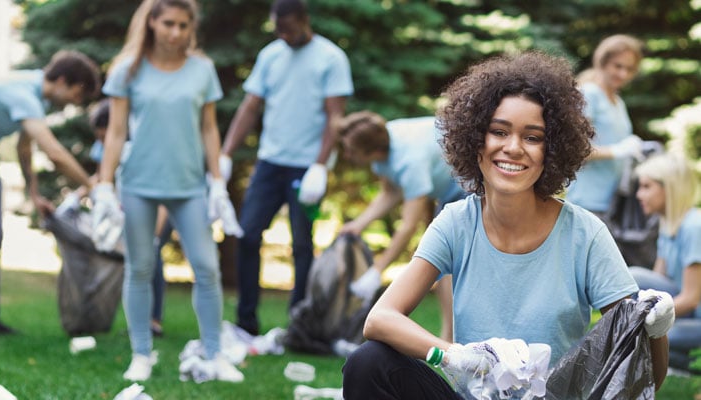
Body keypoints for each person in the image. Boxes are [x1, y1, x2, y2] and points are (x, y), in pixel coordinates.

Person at [341, 51, 673, 399]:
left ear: (554, 149)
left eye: (533, 137)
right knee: (369, 362)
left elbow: (640, 375)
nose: (513, 148)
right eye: (498, 131)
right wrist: (454, 355)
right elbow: (379, 320)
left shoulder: (584, 233)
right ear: (475, 141)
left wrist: (655, 334)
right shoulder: (456, 222)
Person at [95, 0, 243, 382]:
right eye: (168, 24)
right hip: (139, 184)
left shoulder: (202, 70)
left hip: (189, 186)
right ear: (151, 24)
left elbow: (209, 128)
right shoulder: (127, 70)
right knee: (140, 268)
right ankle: (141, 354)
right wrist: (105, 184)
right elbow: (115, 131)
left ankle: (214, 354)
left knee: (207, 269)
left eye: (183, 25)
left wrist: (216, 182)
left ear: (191, 27)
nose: (175, 32)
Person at [220, 0, 354, 336]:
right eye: (278, 29)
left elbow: (335, 118)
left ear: (304, 21)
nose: (284, 35)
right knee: (247, 235)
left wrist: (320, 166)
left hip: (306, 168)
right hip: (270, 163)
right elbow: (250, 107)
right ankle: (246, 322)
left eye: (289, 28)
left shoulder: (331, 58)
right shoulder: (270, 55)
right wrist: (225, 153)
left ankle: (299, 323)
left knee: (302, 245)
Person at [0, 50, 100, 345]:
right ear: (62, 80)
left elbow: (25, 148)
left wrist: (33, 193)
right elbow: (54, 153)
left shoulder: (34, 98)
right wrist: (94, 186)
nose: (76, 102)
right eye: (77, 93)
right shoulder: (23, 94)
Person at [337, 111, 466, 341]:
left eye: (351, 151)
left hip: (466, 184)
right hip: (448, 188)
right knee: (446, 266)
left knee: (447, 262)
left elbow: (408, 226)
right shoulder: (383, 148)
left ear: (372, 151)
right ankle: (449, 337)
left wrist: (377, 271)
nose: (347, 156)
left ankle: (450, 338)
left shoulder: (410, 159)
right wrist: (359, 224)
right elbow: (390, 192)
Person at [88, 99, 167, 338]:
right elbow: (102, 174)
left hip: (157, 208)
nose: (102, 144)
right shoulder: (104, 147)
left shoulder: (144, 146)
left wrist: (156, 232)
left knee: (153, 258)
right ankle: (137, 320)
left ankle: (153, 319)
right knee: (135, 262)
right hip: (126, 209)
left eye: (105, 137)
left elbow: (161, 192)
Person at [630, 152, 701, 373]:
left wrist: (645, 321)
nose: (639, 195)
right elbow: (657, 283)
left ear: (668, 187)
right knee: (640, 334)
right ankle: (680, 365)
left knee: (634, 278)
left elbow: (691, 299)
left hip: (695, 316)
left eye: (646, 187)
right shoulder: (668, 223)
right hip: (686, 314)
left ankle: (685, 365)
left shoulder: (693, 226)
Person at [567, 34, 646, 219]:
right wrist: (617, 151)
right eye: (618, 66)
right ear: (602, 62)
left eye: (629, 69)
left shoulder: (618, 102)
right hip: (587, 202)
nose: (623, 74)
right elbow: (575, 149)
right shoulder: (589, 94)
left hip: (614, 202)